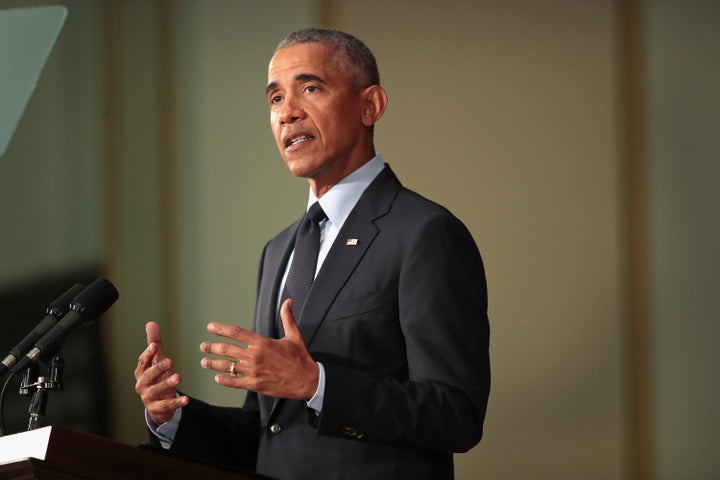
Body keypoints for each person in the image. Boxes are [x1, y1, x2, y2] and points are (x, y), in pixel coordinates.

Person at [134, 28, 490, 480]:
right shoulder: (279, 250)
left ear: (370, 105)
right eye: (275, 99)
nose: (287, 113)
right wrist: (172, 417)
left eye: (309, 88)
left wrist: (317, 384)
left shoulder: (424, 233)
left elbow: (455, 414)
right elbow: (269, 430)